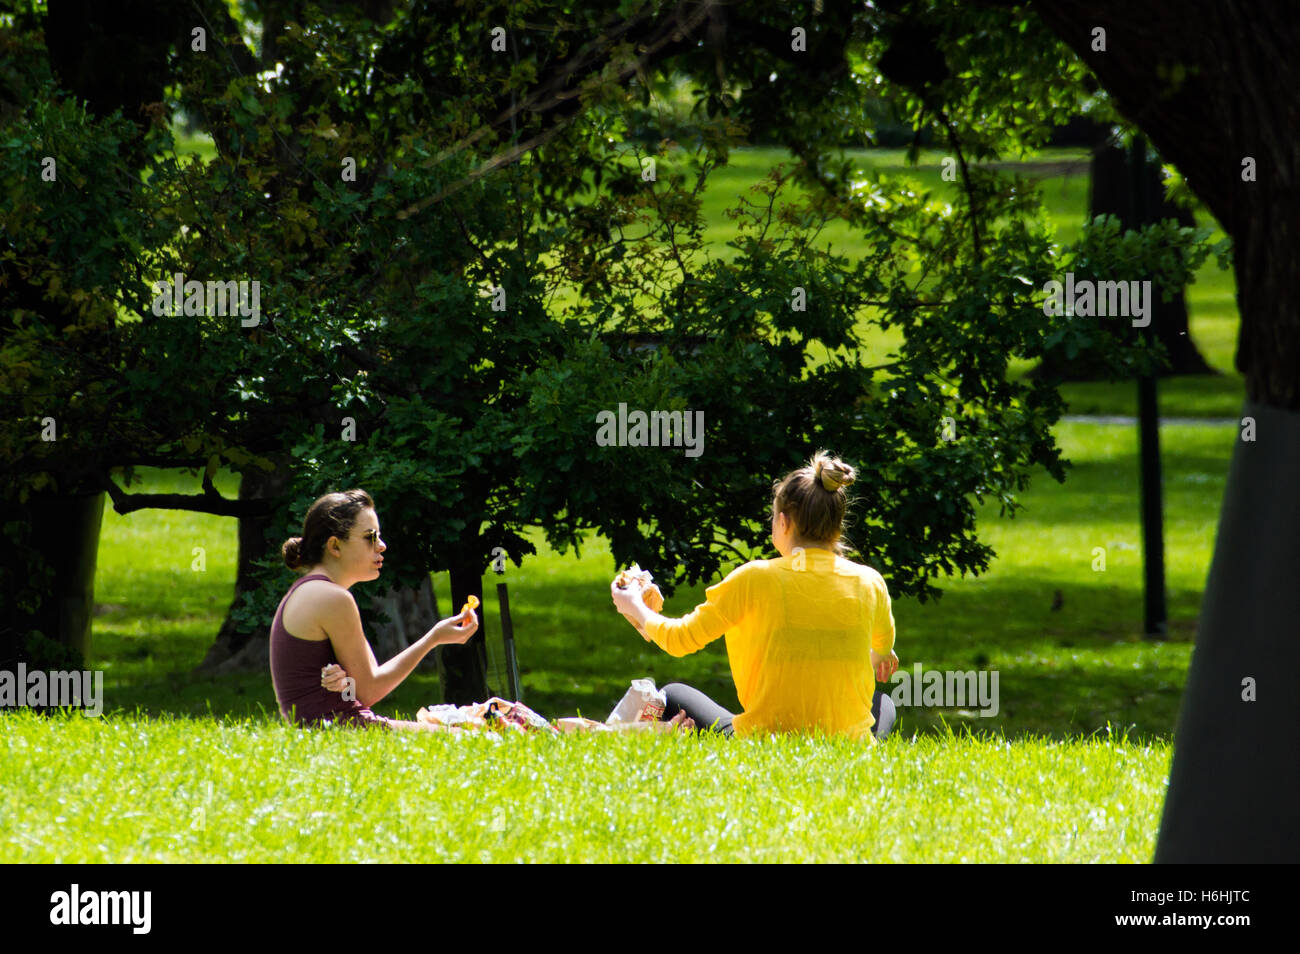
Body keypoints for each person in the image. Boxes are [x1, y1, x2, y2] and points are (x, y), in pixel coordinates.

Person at [610, 451, 901, 742]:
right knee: (883, 704)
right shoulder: (870, 582)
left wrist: (635, 606)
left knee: (673, 694)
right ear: (837, 525)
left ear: (784, 522)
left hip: (764, 737)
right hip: (847, 741)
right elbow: (882, 649)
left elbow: (680, 639)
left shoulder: (753, 578)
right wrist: (874, 654)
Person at [270, 488, 476, 731]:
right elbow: (369, 691)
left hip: (333, 727)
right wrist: (434, 638)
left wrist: (345, 682)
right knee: (480, 740)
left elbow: (365, 681)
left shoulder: (314, 591)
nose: (382, 546)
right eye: (370, 537)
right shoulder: (332, 598)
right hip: (343, 729)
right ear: (335, 546)